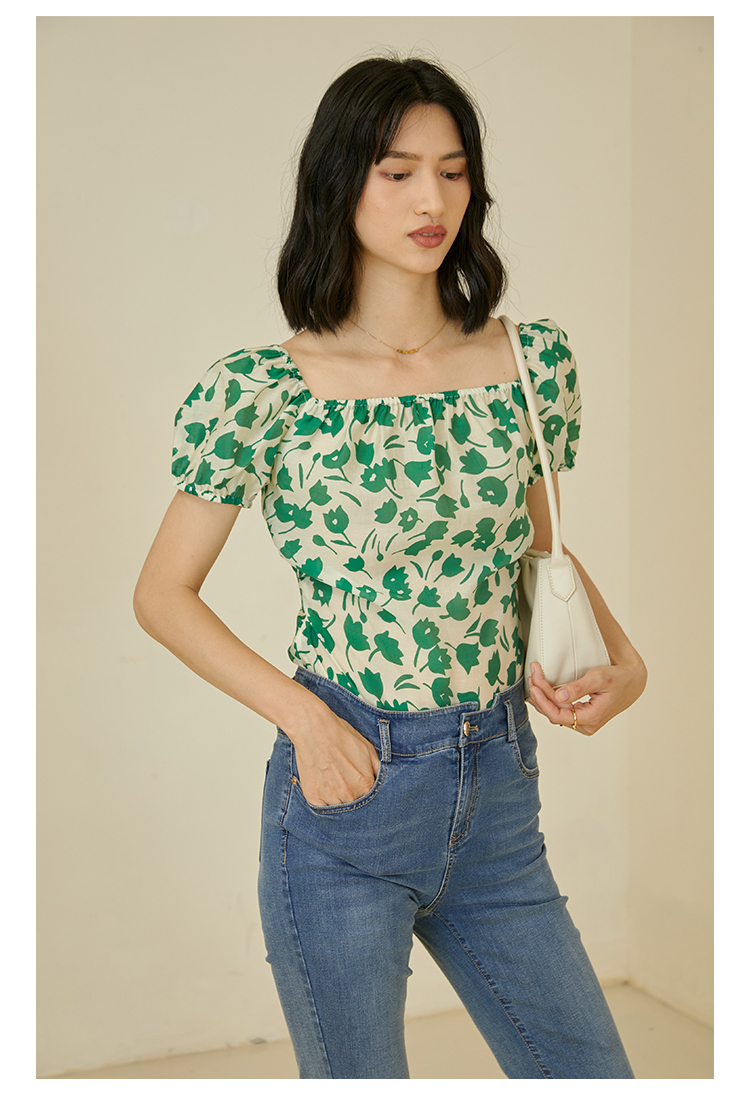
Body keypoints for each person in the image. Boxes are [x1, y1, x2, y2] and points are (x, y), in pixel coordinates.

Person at [134, 55, 646, 1080]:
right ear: (341, 183)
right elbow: (162, 595)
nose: (432, 201)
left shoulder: (530, 362)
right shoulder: (265, 389)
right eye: (399, 171)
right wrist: (305, 719)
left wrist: (624, 661)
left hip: (498, 794)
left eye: (453, 172)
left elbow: (539, 546)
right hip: (345, 803)